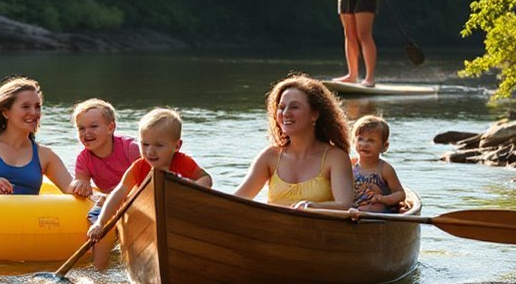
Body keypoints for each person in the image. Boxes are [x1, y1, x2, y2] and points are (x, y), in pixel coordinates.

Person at [86, 108, 212, 270]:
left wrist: (188, 192)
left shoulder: (182, 162)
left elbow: (206, 179)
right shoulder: (139, 167)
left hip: (171, 218)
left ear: (177, 146)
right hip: (141, 219)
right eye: (144, 144)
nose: (150, 151)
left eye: (159, 145)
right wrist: (100, 223)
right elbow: (118, 193)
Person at [233, 74, 353, 211]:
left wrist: (311, 206)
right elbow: (236, 200)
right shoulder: (269, 156)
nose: (285, 113)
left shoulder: (336, 157)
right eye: (281, 107)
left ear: (315, 114)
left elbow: (344, 205)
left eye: (294, 107)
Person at [0, 77, 82, 196]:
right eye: (25, 107)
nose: (34, 113)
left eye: (37, 107)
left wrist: (87, 178)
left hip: (25, 222)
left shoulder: (45, 155)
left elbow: (71, 189)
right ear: (6, 113)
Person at [69, 99, 141, 222]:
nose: (87, 133)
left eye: (94, 126)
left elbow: (150, 180)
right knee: (93, 217)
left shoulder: (132, 149)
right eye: (81, 128)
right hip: (111, 200)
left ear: (110, 127)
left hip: (140, 197)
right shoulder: (84, 159)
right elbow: (81, 180)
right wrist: (80, 184)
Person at [351, 115, 405, 212]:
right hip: (354, 208)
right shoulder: (350, 164)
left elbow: (400, 194)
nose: (364, 144)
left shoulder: (385, 169)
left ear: (384, 146)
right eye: (360, 139)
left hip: (377, 211)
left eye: (371, 140)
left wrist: (383, 199)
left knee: (370, 208)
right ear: (354, 141)